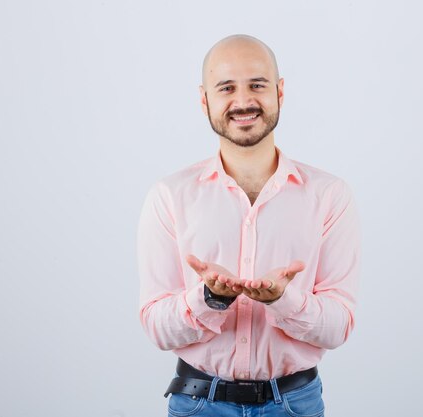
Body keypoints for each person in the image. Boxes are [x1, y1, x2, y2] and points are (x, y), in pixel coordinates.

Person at [137, 34, 361, 417]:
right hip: (198, 404)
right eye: (227, 88)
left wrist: (282, 300)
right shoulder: (169, 196)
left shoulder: (330, 195)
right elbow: (157, 328)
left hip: (295, 405)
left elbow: (338, 326)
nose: (243, 102)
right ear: (205, 99)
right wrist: (210, 298)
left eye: (257, 85)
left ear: (280, 91)